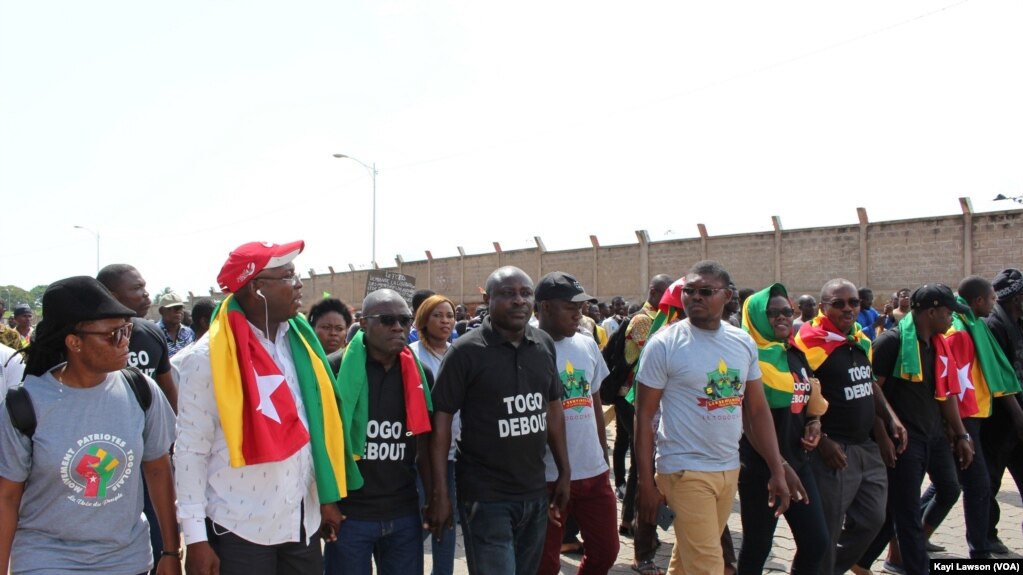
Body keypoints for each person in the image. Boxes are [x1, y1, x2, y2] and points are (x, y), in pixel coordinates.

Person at [173, 240, 356, 575]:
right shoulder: (207, 359)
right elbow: (190, 452)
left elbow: (311, 427)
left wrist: (325, 497)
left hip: (301, 522)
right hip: (240, 526)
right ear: (256, 288)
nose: (299, 284)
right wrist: (196, 538)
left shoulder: (301, 343)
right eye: (288, 277)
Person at [0, 276, 179, 574]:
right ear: (74, 342)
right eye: (112, 335)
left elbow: (159, 470)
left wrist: (171, 551)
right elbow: (7, 496)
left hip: (127, 560)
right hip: (46, 560)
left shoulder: (141, 390)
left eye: (127, 330)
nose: (125, 342)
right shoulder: (25, 405)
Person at [634, 260, 798, 575]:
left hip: (728, 469)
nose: (694, 297)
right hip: (683, 471)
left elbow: (757, 410)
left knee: (688, 562)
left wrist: (778, 469)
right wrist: (645, 483)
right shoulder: (664, 345)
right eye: (688, 291)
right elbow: (644, 417)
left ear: (727, 296)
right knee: (709, 566)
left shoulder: (741, 342)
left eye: (705, 291)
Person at [427, 266, 570, 575]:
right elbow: (440, 425)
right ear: (487, 299)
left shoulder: (543, 344)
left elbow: (554, 409)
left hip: (534, 490)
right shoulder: (465, 353)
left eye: (525, 293)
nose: (519, 301)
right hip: (485, 495)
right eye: (507, 294)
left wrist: (564, 471)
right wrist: (440, 493)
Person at [793, 278, 906, 575]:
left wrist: (890, 421)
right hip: (832, 449)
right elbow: (798, 398)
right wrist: (824, 440)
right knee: (827, 529)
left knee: (872, 519)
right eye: (838, 303)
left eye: (853, 302)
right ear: (822, 307)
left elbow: (867, 383)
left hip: (865, 446)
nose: (848, 309)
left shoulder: (860, 338)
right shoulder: (809, 343)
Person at [861, 283, 974, 575]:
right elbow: (872, 392)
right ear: (932, 311)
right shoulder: (892, 342)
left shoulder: (939, 345)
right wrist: (883, 434)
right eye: (948, 312)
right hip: (903, 441)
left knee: (949, 489)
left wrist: (960, 434)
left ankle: (865, 559)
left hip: (934, 435)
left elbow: (946, 393)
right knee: (906, 512)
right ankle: (911, 564)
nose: (951, 319)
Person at [324, 289, 433, 575]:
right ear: (362, 323)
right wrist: (327, 503)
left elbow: (426, 445)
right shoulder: (334, 369)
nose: (398, 327)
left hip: (403, 512)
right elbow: (320, 444)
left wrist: (434, 498)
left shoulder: (421, 375)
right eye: (386, 319)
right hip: (350, 514)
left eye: (404, 319)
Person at [737, 283, 829, 575]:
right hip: (761, 467)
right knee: (758, 546)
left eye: (787, 312)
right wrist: (779, 465)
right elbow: (748, 418)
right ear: (755, 317)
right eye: (772, 313)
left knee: (816, 543)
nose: (782, 318)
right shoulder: (747, 357)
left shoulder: (793, 352)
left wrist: (814, 422)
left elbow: (808, 395)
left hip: (799, 463)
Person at [534, 272, 618, 575]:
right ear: (545, 307)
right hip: (547, 477)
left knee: (606, 552)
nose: (578, 313)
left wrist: (602, 452)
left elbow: (593, 400)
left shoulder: (586, 344)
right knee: (545, 563)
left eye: (581, 306)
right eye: (571, 307)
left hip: (592, 471)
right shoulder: (527, 347)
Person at [98, 263, 179, 568]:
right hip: (104, 458)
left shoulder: (149, 334)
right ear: (109, 294)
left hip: (149, 455)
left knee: (157, 529)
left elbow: (168, 388)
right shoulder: (88, 340)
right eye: (137, 289)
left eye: (146, 287)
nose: (146, 295)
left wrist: (171, 436)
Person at [616, 274, 672, 574]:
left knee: (642, 467)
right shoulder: (643, 321)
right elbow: (643, 364)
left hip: (652, 400)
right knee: (643, 466)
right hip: (634, 398)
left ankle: (631, 521)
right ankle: (639, 535)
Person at [409, 294, 459, 575]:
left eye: (449, 316)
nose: (445, 321)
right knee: (424, 521)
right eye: (438, 315)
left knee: (447, 523)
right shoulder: (413, 355)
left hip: (455, 454)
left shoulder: (459, 352)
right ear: (424, 320)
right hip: (422, 457)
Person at [983, 268, 1023, 553]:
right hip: (1000, 419)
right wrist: (1017, 413)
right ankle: (987, 535)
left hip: (1018, 416)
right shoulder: (994, 326)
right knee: (990, 482)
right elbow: (996, 374)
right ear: (1017, 298)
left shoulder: (1018, 322)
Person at [156, 292, 195, 357]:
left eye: (181, 308)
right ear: (162, 311)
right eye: (175, 308)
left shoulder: (189, 332)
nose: (179, 311)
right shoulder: (154, 333)